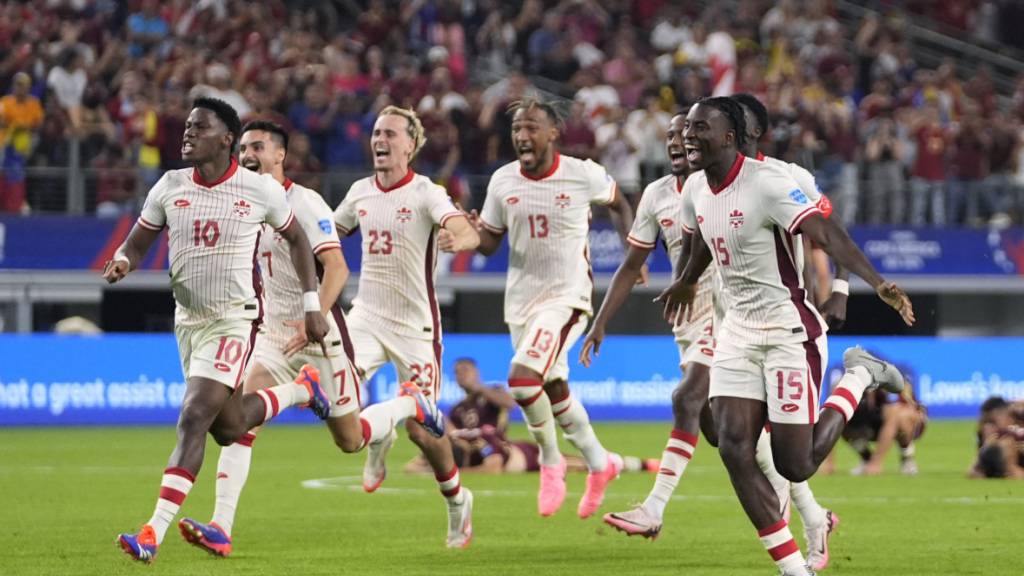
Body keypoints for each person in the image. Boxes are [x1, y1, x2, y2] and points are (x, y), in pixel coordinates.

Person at [657, 97, 915, 576]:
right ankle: (793, 569)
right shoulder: (693, 187)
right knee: (733, 448)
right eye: (687, 127)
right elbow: (700, 244)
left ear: (731, 137)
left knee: (795, 465)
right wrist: (687, 279)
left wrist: (874, 283)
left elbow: (828, 233)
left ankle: (857, 376)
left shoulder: (771, 183)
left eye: (700, 128)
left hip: (787, 333)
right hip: (736, 331)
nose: (688, 136)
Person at [176, 120, 443, 557]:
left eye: (257, 146)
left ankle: (410, 403)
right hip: (271, 337)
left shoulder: (304, 201)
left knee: (350, 440)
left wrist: (311, 313)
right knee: (240, 422)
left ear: (280, 155)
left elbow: (337, 267)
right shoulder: (241, 203)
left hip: (321, 337)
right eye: (243, 147)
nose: (247, 154)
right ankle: (221, 526)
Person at [593, 102, 839, 571]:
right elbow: (636, 263)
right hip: (694, 323)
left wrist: (839, 287)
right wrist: (602, 320)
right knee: (727, 436)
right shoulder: (662, 195)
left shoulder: (770, 178)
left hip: (741, 322)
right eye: (671, 136)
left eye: (688, 131)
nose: (678, 142)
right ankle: (813, 514)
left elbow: (827, 229)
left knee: (689, 400)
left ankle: (654, 507)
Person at [107, 97, 332, 564]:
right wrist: (125, 258)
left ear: (226, 139)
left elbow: (296, 238)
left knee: (193, 416)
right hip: (187, 321)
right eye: (187, 126)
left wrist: (312, 303)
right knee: (228, 428)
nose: (187, 133)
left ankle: (152, 532)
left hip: (235, 319)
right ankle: (301, 391)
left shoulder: (258, 190)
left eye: (199, 127)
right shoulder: (170, 186)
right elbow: (141, 236)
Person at [469, 98, 640, 519]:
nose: (522, 136)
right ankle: (601, 464)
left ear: (553, 132)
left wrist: (631, 254)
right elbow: (490, 242)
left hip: (567, 297)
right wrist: (471, 231)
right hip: (521, 303)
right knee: (553, 389)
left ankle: (551, 460)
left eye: (531, 128)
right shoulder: (502, 181)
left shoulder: (581, 174)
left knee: (523, 380)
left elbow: (618, 203)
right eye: (516, 130)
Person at [333, 105, 480, 548]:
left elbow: (462, 228)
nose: (380, 140)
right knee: (335, 390)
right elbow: (329, 235)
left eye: (391, 134)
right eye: (377, 132)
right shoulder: (360, 192)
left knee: (424, 430)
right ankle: (379, 439)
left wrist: (462, 237)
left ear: (411, 145)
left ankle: (457, 501)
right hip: (366, 316)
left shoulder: (426, 193)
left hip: (416, 327)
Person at [404, 358, 656, 475]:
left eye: (466, 371)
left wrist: (479, 386)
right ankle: (634, 465)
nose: (462, 376)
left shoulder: (492, 393)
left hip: (498, 445)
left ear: (476, 372)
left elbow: (509, 403)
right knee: (565, 463)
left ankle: (637, 464)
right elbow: (450, 433)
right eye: (458, 373)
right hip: (475, 449)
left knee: (573, 462)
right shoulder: (458, 408)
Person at [970, 396, 1024, 479]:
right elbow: (974, 471)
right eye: (987, 422)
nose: (989, 426)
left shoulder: (1018, 413)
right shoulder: (990, 436)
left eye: (992, 421)